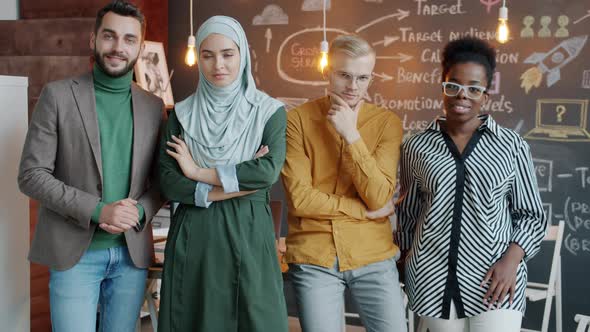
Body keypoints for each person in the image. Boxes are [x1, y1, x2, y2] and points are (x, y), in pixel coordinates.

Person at [17, 1, 164, 331]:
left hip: (131, 256)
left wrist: (139, 211)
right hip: (74, 255)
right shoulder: (57, 96)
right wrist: (99, 211)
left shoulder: (153, 107)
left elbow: (160, 182)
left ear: (140, 47)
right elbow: (31, 175)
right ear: (93, 39)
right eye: (109, 36)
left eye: (129, 39)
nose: (118, 47)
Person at [395, 36, 547, 332]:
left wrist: (511, 263)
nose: (461, 95)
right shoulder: (416, 146)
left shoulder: (511, 146)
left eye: (473, 88)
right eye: (453, 85)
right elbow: (409, 212)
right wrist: (405, 259)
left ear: (485, 95)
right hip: (433, 277)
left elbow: (531, 216)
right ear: (442, 85)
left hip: (495, 278)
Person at [157, 16, 288, 332]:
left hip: (249, 230)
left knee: (256, 317)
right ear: (198, 58)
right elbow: (169, 180)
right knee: (193, 318)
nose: (219, 64)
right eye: (208, 54)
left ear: (243, 54)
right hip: (195, 231)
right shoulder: (182, 115)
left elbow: (266, 172)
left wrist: (197, 171)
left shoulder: (268, 112)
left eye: (228, 53)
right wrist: (225, 186)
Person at [281, 34, 406, 332]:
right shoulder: (296, 120)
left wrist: (351, 135)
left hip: (373, 255)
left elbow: (378, 196)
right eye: (344, 75)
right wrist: (362, 212)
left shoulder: (387, 123)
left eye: (362, 78)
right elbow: (300, 199)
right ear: (327, 71)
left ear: (371, 77)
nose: (353, 86)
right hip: (315, 256)